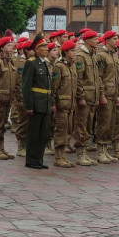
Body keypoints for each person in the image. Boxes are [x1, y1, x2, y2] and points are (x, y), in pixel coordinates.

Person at [22, 34, 51, 170]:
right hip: (35, 103)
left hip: (45, 103)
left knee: (43, 133)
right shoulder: (31, 63)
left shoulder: (44, 63)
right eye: (43, 47)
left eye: (46, 46)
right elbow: (26, 86)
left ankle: (39, 159)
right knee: (33, 133)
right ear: (36, 49)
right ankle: (31, 159)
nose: (46, 49)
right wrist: (28, 106)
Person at [73, 30, 102, 165]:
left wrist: (99, 95)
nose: (97, 41)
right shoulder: (81, 56)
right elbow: (78, 78)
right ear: (87, 40)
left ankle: (84, 152)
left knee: (89, 126)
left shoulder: (93, 55)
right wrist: (81, 96)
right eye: (94, 39)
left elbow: (97, 77)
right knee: (81, 126)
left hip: (92, 97)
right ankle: (80, 154)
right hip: (84, 98)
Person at [50, 39, 77, 168]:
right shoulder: (59, 66)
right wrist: (53, 103)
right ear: (65, 52)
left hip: (70, 105)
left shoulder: (72, 66)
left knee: (68, 130)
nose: (74, 53)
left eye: (75, 50)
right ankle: (58, 157)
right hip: (61, 104)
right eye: (72, 50)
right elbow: (54, 87)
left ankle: (63, 156)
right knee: (61, 130)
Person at [95, 31, 119, 162]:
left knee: (110, 124)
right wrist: (102, 95)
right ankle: (100, 151)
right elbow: (99, 77)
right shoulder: (101, 56)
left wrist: (117, 95)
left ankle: (105, 149)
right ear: (107, 40)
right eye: (114, 39)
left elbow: (115, 78)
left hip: (113, 93)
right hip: (105, 94)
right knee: (103, 123)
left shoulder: (113, 55)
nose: (117, 41)